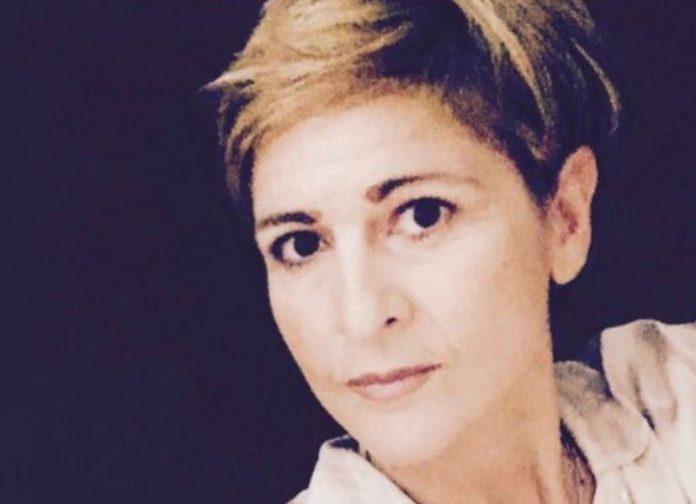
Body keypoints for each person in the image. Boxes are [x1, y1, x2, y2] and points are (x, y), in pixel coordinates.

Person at [208, 0, 696, 502]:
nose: (361, 317)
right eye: (302, 245)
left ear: (566, 218)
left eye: (422, 215)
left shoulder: (677, 397)